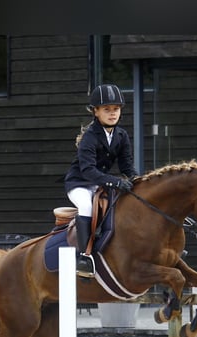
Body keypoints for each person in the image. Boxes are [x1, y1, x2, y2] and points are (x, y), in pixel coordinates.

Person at [64, 83, 138, 277]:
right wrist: (115, 182)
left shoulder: (121, 135)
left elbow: (127, 167)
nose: (112, 113)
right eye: (107, 109)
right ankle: (84, 257)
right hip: (80, 183)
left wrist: (139, 183)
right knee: (86, 206)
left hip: (101, 182)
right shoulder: (90, 137)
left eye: (116, 109)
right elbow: (88, 171)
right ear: (96, 112)